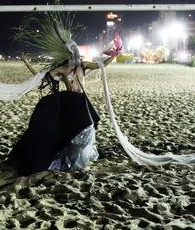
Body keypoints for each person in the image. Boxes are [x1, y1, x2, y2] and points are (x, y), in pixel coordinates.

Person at [8, 12, 122, 176]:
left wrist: (114, 54)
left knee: (86, 131)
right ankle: (68, 161)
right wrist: (26, 62)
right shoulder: (62, 69)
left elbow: (101, 65)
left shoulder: (83, 65)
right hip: (70, 102)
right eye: (72, 51)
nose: (75, 54)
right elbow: (41, 76)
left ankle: (80, 160)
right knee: (71, 134)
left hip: (82, 101)